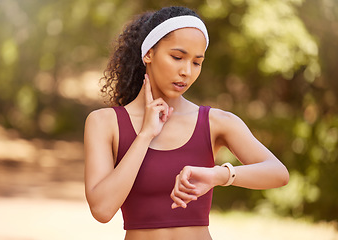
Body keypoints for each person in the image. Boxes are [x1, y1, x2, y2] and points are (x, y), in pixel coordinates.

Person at [84, 6, 289, 240]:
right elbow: (102, 210)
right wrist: (145, 135)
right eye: (177, 57)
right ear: (148, 53)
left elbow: (278, 173)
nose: (186, 71)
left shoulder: (216, 122)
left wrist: (219, 175)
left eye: (196, 62)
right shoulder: (104, 123)